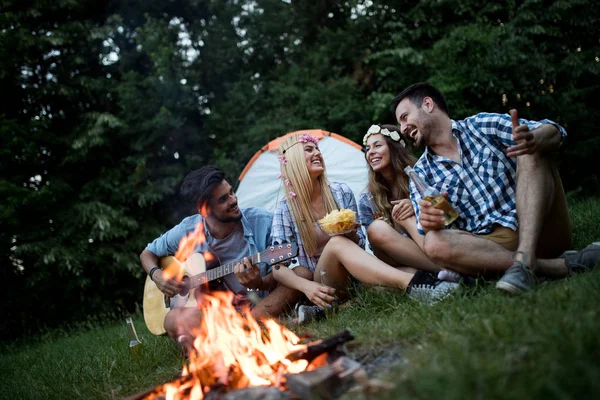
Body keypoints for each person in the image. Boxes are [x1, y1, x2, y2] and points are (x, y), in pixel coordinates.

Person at [391, 82, 600, 294]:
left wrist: (534, 139)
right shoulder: (421, 174)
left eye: (404, 117)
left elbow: (554, 131)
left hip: (542, 225)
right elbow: (442, 234)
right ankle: (548, 266)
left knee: (528, 148)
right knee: (433, 243)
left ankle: (524, 263)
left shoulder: (482, 125)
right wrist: (429, 224)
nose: (403, 128)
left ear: (427, 104)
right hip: (493, 247)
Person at [267, 133, 459, 320]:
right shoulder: (285, 210)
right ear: (293, 161)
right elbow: (278, 268)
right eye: (309, 150)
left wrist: (350, 233)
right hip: (325, 281)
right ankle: (414, 285)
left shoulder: (341, 192)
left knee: (399, 274)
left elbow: (359, 240)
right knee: (337, 244)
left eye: (317, 149)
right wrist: (306, 287)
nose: (317, 153)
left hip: (356, 277)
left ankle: (451, 278)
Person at [139, 165, 312, 341]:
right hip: (214, 312)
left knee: (302, 273)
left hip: (260, 302)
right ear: (203, 210)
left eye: (231, 192)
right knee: (171, 320)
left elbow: (282, 272)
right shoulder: (188, 230)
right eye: (223, 199)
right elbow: (147, 254)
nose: (233, 200)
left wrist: (259, 282)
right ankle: (258, 325)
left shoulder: (263, 222)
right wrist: (157, 275)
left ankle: (234, 330)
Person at [359, 124, 443, 275]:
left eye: (377, 145)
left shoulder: (420, 174)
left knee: (404, 213)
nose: (371, 152)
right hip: (397, 256)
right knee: (377, 228)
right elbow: (375, 248)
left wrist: (416, 204)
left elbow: (445, 209)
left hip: (433, 243)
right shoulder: (367, 199)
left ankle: (431, 272)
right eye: (368, 149)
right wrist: (388, 230)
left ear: (394, 148)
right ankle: (444, 270)